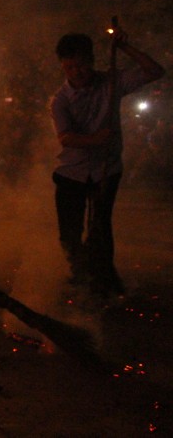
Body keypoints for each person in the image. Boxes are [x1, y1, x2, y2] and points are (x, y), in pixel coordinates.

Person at [50, 26, 165, 297]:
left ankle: (105, 281)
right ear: (62, 67)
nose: (77, 72)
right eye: (69, 67)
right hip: (71, 173)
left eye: (81, 65)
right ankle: (79, 277)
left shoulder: (112, 82)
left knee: (100, 228)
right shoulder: (60, 100)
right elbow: (65, 138)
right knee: (70, 234)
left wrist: (125, 47)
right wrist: (96, 139)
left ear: (91, 60)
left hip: (106, 170)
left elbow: (154, 72)